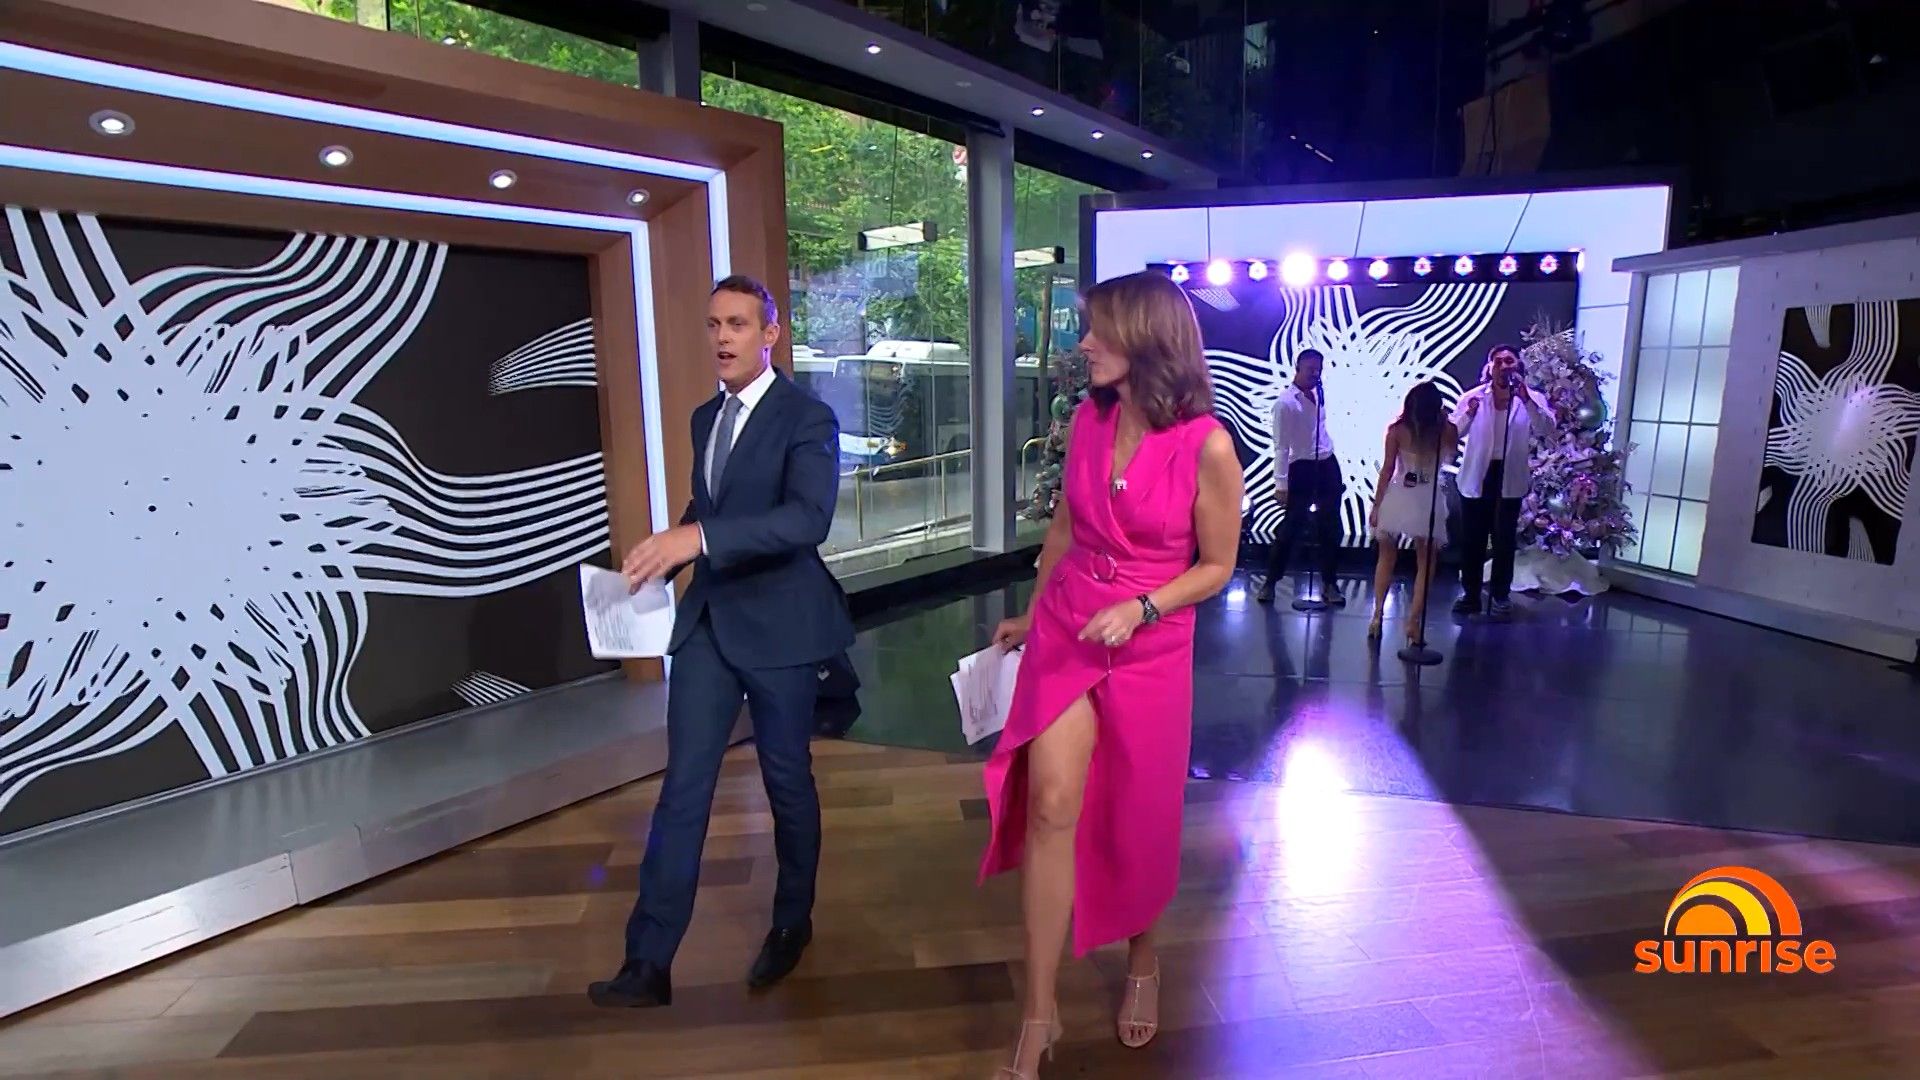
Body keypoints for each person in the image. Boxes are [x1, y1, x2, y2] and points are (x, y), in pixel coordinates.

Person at [979, 270, 1244, 1078]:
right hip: (1069, 628)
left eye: (1097, 330)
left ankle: (1143, 960)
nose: (1084, 343)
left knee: (1137, 814)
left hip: (1149, 643)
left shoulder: (1206, 444)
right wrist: (1034, 612)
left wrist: (1145, 607)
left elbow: (1218, 566)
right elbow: (1065, 524)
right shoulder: (1089, 419)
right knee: (1052, 804)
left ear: (1145, 339)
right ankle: (1039, 1013)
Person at [589, 275, 854, 1009]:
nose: (722, 338)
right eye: (712, 325)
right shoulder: (706, 416)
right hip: (709, 622)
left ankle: (791, 924)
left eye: (737, 324)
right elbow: (709, 505)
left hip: (783, 628)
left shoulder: (808, 417)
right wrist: (667, 552)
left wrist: (697, 537)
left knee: (786, 781)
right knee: (683, 786)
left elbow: (807, 520)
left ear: (769, 334)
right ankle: (648, 962)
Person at [1449, 344, 1554, 618]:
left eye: (1510, 361)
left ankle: (1500, 595)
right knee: (1473, 538)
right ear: (1490, 367)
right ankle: (1470, 594)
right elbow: (1453, 433)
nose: (1504, 366)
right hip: (1478, 474)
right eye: (1499, 361)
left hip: (1509, 475)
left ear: (1517, 367)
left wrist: (1527, 400)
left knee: (1504, 539)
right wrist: (1469, 414)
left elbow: (1547, 429)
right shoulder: (1473, 397)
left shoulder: (1531, 398)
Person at [1366, 381, 1458, 643]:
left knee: (1386, 557)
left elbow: (1387, 470)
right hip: (1427, 497)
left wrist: (1377, 505)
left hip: (1399, 495)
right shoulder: (1446, 430)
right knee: (1426, 563)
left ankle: (1377, 616)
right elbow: (1452, 455)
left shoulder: (1397, 431)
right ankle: (1413, 622)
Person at [1256, 347, 1344, 606]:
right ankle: (1271, 581)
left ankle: (1329, 583)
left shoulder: (1319, 393)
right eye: (1310, 370)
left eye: (1318, 370)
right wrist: (1280, 483)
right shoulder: (1285, 403)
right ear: (1298, 368)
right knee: (1292, 527)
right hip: (1301, 466)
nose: (1315, 375)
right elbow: (1281, 446)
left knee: (1331, 527)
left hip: (1326, 463)